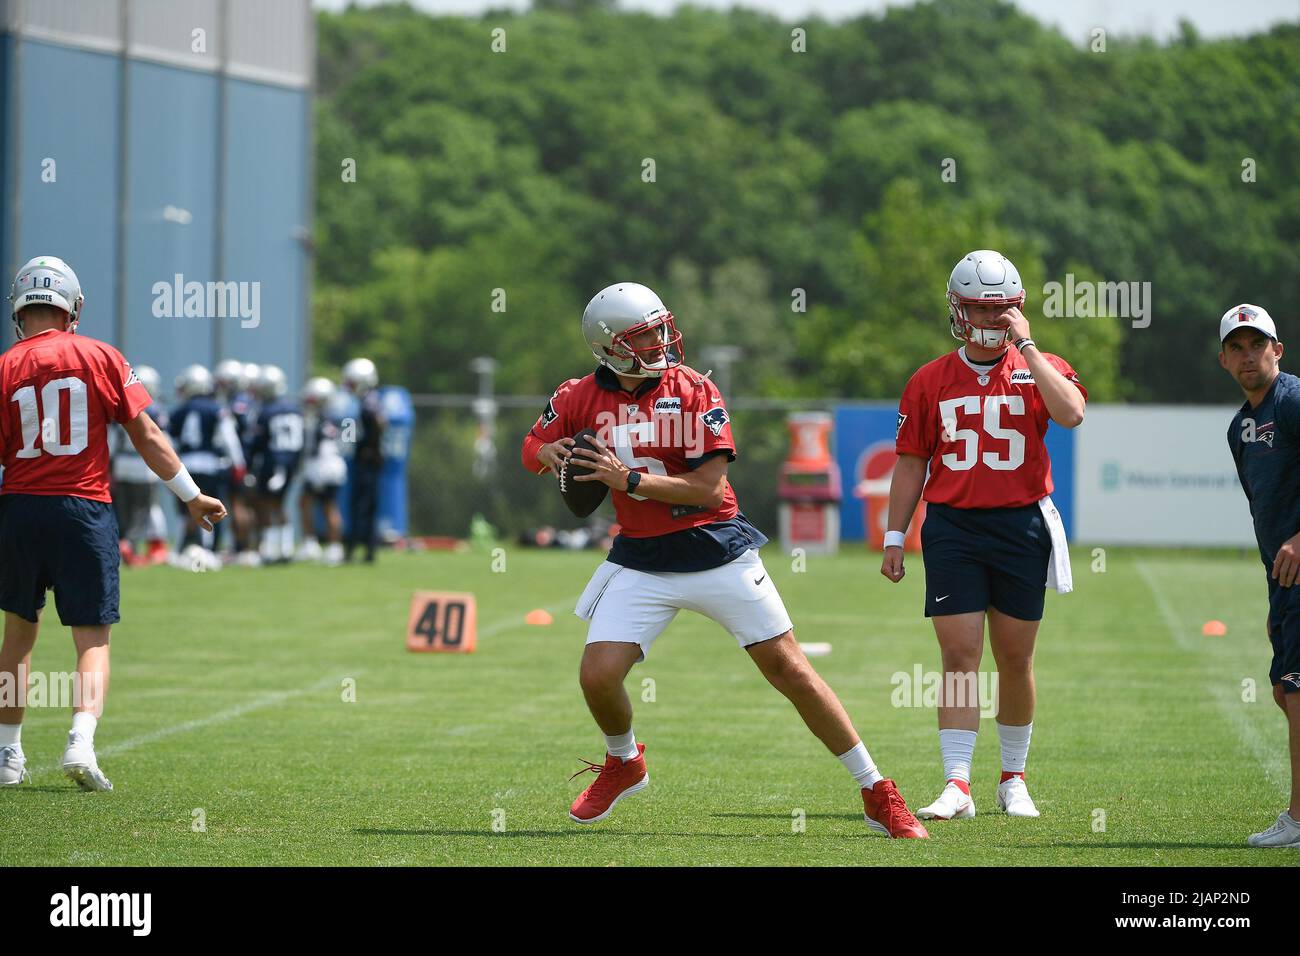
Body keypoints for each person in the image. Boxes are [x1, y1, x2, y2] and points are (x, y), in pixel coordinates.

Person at [521, 281, 928, 838]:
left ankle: (876, 790)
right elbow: (531, 447)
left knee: (790, 671)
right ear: (610, 346)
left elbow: (710, 489)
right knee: (597, 675)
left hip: (714, 548)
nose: (662, 342)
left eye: (662, 329)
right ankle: (624, 762)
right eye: (645, 336)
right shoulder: (576, 396)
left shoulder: (693, 391)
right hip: (642, 559)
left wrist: (631, 480)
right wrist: (547, 451)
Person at [0, 256, 225, 790]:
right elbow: (145, 434)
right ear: (71, 306)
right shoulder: (98, 355)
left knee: (18, 636)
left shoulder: (6, 366)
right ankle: (80, 742)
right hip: (83, 507)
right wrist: (190, 497)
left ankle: (7, 755)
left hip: (20, 508)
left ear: (20, 306)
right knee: (92, 638)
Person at [882, 250, 1086, 821]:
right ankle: (957, 783)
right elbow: (910, 462)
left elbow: (1071, 414)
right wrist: (895, 535)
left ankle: (1014, 778)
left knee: (1015, 658)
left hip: (1021, 523)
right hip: (953, 525)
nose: (991, 319)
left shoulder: (1039, 363)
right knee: (958, 655)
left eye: (1002, 309)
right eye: (980, 309)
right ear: (957, 310)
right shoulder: (930, 379)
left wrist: (1028, 347)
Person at [1220, 303, 1300, 847]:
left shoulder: (1293, 401)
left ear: (1279, 349)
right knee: (1283, 690)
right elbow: (1263, 510)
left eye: (1258, 344)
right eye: (1237, 347)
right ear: (1223, 359)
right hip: (1283, 579)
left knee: (1296, 691)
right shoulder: (1239, 428)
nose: (1249, 356)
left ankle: (1296, 821)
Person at [168, 364, 243, 571]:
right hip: (210, 464)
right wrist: (238, 463)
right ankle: (208, 551)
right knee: (209, 509)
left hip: (184, 464)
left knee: (186, 510)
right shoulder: (216, 408)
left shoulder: (180, 410)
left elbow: (168, 441)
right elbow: (229, 439)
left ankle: (180, 549)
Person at [109, 364, 170, 567]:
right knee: (142, 510)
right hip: (143, 464)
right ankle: (129, 545)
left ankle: (123, 542)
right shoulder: (155, 409)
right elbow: (159, 439)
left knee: (123, 509)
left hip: (121, 463)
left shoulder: (120, 405)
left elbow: (110, 440)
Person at [248, 364, 303, 565]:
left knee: (267, 504)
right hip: (290, 463)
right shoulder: (295, 409)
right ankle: (285, 547)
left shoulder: (267, 411)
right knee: (280, 504)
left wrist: (250, 463)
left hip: (273, 463)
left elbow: (258, 442)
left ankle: (272, 549)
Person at [297, 377, 346, 566]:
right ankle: (333, 548)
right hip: (335, 463)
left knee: (319, 505)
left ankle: (318, 545)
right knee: (326, 505)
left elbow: (310, 445)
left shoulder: (315, 418)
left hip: (320, 465)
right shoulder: (340, 416)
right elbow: (348, 441)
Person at [342, 358, 385, 563]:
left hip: (367, 461)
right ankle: (365, 550)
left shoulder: (369, 400)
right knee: (364, 505)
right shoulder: (368, 399)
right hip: (368, 459)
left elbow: (377, 424)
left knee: (361, 505)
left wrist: (371, 449)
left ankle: (359, 550)